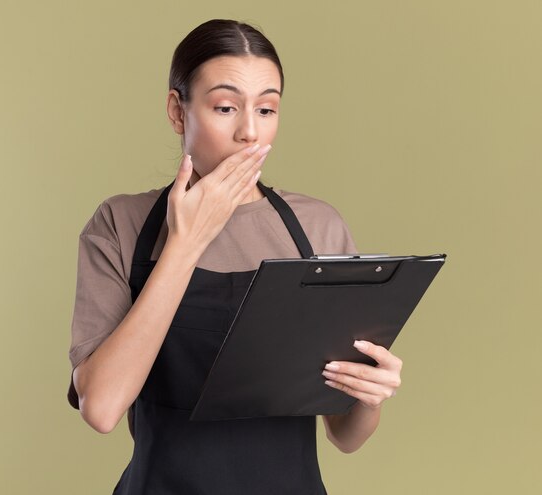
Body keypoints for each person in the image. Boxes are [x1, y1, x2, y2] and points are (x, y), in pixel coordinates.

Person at [67, 18, 403, 495]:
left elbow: (345, 436)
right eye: (225, 106)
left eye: (267, 110)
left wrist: (370, 396)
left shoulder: (317, 229)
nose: (250, 132)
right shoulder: (120, 225)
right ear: (177, 111)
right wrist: (185, 243)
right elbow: (100, 408)